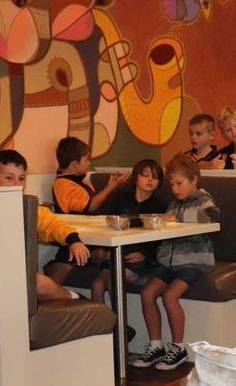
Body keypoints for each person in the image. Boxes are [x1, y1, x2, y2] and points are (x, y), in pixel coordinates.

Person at [134, 155, 220, 370]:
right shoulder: (172, 205)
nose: (175, 189)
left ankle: (179, 347)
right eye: (172, 184)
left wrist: (176, 219)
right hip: (171, 263)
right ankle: (156, 345)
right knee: (147, 293)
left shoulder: (203, 199)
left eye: (179, 183)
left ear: (194, 179)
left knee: (170, 296)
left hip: (195, 262)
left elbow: (212, 216)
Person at [0, 150, 90, 302]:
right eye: (9, 178)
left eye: (22, 178)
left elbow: (52, 224)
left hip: (16, 276)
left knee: (38, 283)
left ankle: (76, 299)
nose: (17, 184)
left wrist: (73, 240)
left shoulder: (27, 206)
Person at [91, 159, 168, 302]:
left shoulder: (160, 207)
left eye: (155, 177)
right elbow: (109, 225)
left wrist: (144, 254)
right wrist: (105, 251)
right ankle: (100, 317)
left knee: (114, 281)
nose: (150, 179)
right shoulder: (120, 200)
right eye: (145, 175)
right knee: (97, 285)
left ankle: (118, 317)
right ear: (136, 177)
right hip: (117, 255)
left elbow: (161, 239)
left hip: (141, 260)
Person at [51, 136, 129, 214]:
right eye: (86, 160)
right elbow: (90, 206)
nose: (89, 163)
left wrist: (113, 186)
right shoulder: (62, 184)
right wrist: (110, 187)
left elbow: (97, 205)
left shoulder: (83, 182)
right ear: (75, 164)